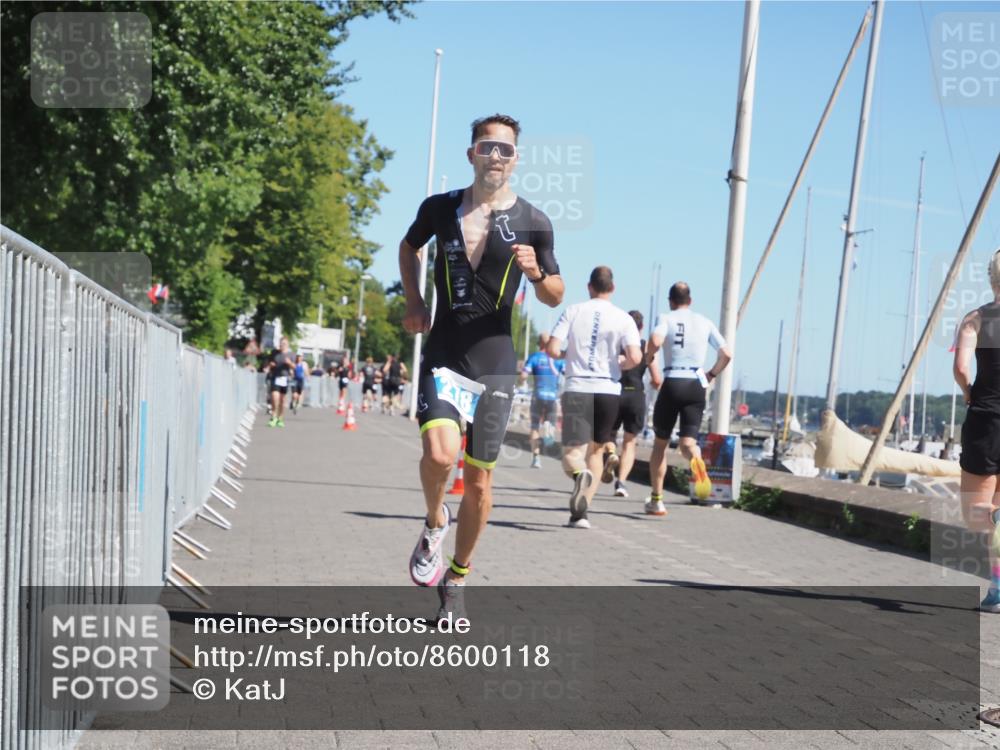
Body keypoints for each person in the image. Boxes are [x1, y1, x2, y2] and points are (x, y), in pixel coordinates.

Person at [400, 113, 563, 618]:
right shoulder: (440, 208)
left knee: (481, 483)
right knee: (439, 455)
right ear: (470, 153)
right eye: (488, 146)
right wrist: (413, 302)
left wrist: (538, 275)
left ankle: (459, 576)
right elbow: (408, 248)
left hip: (495, 360)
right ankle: (433, 524)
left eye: (506, 149)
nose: (496, 156)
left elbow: (557, 294)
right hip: (446, 350)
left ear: (516, 160)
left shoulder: (534, 221)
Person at [547, 266, 641, 529]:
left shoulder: (573, 311)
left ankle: (578, 476)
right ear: (612, 288)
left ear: (589, 287)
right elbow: (635, 357)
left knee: (572, 452)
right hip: (608, 390)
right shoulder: (624, 318)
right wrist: (615, 364)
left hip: (577, 386)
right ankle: (581, 514)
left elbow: (553, 349)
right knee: (597, 451)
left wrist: (570, 356)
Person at [644, 282, 732, 514]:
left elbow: (655, 341)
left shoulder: (666, 317)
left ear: (671, 301)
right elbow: (727, 353)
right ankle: (695, 458)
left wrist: (650, 357)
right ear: (690, 301)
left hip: (672, 380)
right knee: (688, 443)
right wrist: (711, 374)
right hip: (696, 383)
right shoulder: (704, 321)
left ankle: (656, 500)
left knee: (660, 445)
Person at [953, 249, 1000, 613]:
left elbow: (960, 367)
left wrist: (969, 391)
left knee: (978, 514)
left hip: (984, 417)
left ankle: (997, 588)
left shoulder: (975, 318)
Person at [611, 310, 657, 498]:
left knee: (608, 435)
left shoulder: (615, 345)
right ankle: (621, 483)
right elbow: (657, 379)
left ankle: (611, 454)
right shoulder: (646, 348)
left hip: (614, 392)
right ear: (642, 327)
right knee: (630, 443)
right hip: (636, 395)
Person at [519, 333, 565, 468]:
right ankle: (548, 426)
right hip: (552, 397)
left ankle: (536, 458)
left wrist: (522, 382)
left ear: (539, 343)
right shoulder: (558, 359)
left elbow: (523, 375)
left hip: (537, 395)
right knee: (551, 422)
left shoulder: (534, 357)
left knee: (534, 427)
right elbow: (568, 373)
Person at [267, 337, 295, 427]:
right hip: (275, 377)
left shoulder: (291, 354)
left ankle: (280, 418)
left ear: (287, 345)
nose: (282, 345)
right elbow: (268, 363)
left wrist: (289, 363)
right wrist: (271, 365)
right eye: (281, 343)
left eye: (284, 344)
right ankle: (273, 416)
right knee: (275, 398)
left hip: (284, 379)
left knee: (282, 400)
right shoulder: (275, 353)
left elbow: (294, 367)